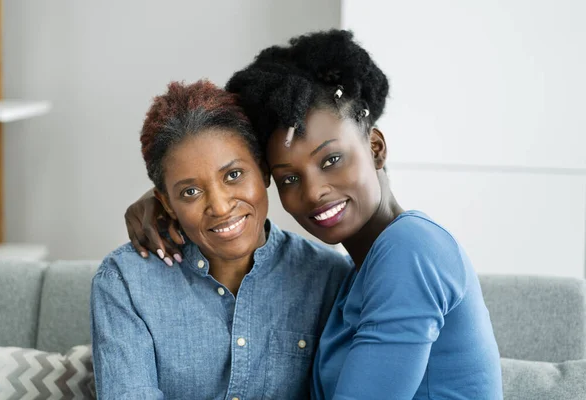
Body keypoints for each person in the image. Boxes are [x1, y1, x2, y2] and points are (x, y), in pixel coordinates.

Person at [126, 30, 503, 399]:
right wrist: (172, 201)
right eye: (288, 177)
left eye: (331, 160)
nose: (313, 192)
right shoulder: (353, 274)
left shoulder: (410, 250)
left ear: (375, 147)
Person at [90, 80, 352, 400]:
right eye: (191, 192)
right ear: (166, 202)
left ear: (264, 171)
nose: (220, 206)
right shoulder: (125, 282)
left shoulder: (330, 279)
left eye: (233, 175)